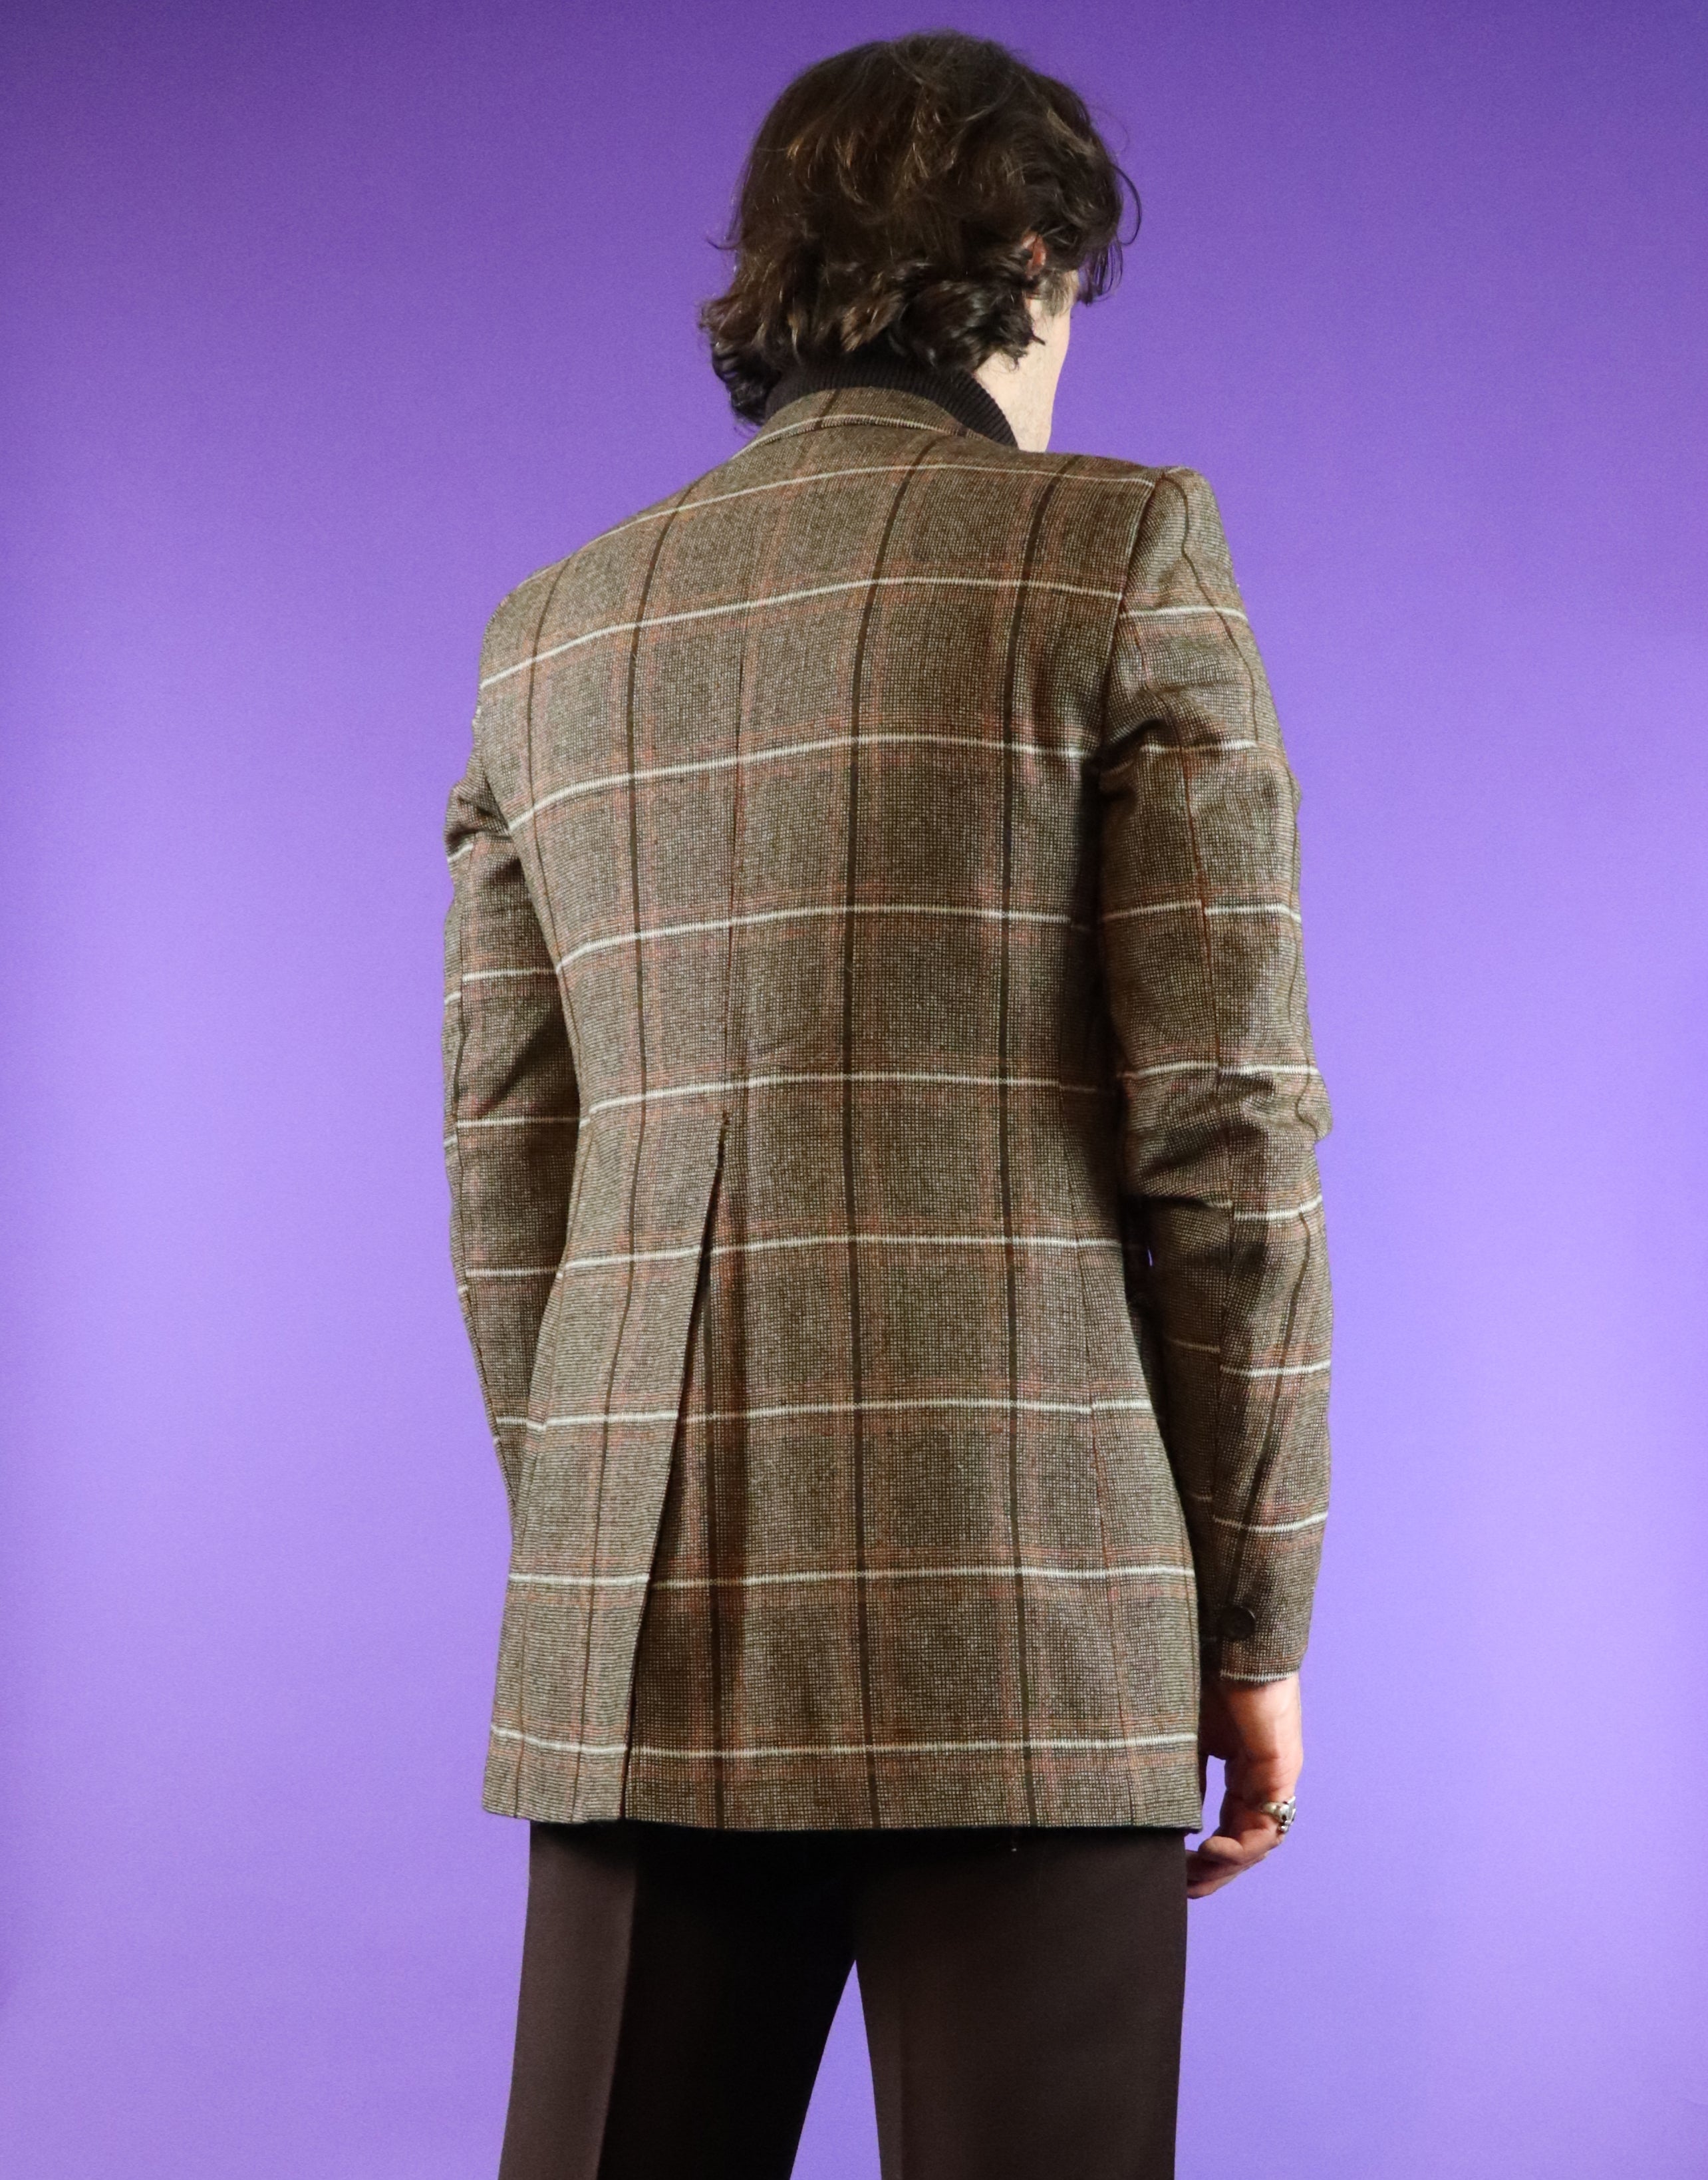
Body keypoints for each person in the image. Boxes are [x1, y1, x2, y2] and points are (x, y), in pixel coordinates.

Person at [441, 30, 1332, 2180]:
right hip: (1035, 1605)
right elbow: (1227, 1139)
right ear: (1032, 266)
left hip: (640, 1629)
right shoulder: (1115, 552)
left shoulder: (549, 636)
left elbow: (506, 1177)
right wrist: (1248, 1620)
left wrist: (600, 1537)